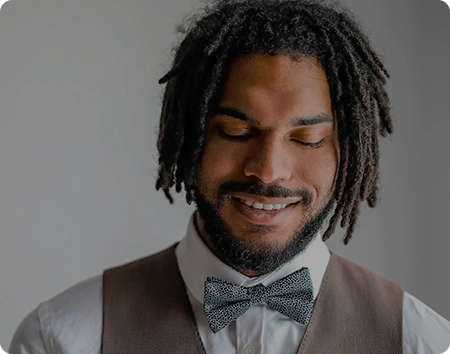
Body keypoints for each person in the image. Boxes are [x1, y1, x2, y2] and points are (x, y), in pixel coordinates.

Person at [9, 0, 450, 353]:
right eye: (237, 131)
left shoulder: (421, 341)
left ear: (349, 152)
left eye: (309, 137)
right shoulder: (62, 339)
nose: (269, 169)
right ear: (185, 135)